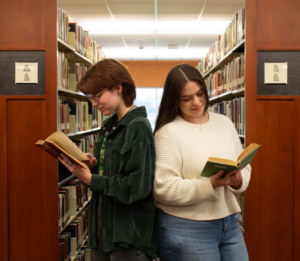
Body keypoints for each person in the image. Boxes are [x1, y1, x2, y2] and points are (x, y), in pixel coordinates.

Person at [58, 59, 156, 261]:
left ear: (118, 88)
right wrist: (94, 168)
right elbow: (111, 175)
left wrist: (92, 180)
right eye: (90, 97)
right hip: (102, 231)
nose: (93, 103)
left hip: (128, 238)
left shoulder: (138, 126)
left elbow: (137, 187)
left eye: (97, 95)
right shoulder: (109, 125)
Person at [153, 64, 251, 261]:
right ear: (174, 101)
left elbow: (245, 166)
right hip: (188, 227)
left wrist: (237, 179)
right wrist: (209, 185)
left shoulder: (224, 122)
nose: (197, 102)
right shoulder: (167, 133)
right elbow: (162, 188)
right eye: (187, 99)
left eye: (200, 94)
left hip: (229, 222)